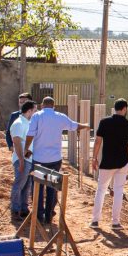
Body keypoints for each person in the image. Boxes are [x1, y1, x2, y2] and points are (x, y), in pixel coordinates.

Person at [25, 96, 88, 224]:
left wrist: (26, 148)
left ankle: (38, 216)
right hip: (54, 159)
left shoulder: (37, 116)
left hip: (39, 159)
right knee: (52, 187)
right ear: (54, 106)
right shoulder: (60, 116)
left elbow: (30, 134)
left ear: (42, 105)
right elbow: (74, 126)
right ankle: (48, 216)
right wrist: (86, 126)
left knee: (38, 187)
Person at [90, 98, 128, 230]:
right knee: (118, 191)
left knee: (101, 190)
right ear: (124, 109)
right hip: (122, 162)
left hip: (107, 162)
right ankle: (115, 222)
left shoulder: (104, 122)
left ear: (115, 108)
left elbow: (98, 141)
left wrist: (94, 158)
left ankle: (95, 221)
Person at [9, 100, 37, 220]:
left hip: (28, 159)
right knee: (19, 184)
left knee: (26, 186)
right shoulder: (19, 123)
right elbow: (17, 142)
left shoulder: (27, 123)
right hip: (23, 160)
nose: (36, 113)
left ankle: (24, 209)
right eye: (35, 110)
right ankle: (15, 210)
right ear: (29, 111)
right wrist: (21, 160)